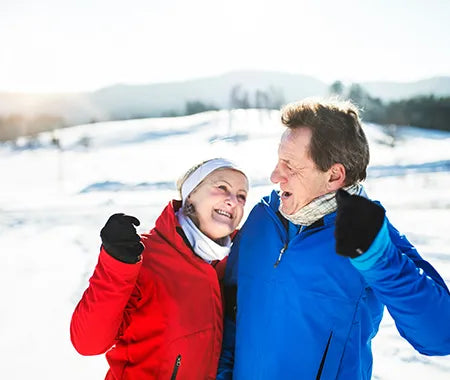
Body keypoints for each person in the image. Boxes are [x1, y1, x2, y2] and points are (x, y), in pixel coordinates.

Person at [217, 99, 450, 380]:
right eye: (279, 161)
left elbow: (440, 336)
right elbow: (229, 311)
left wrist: (378, 260)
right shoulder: (261, 218)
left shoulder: (371, 234)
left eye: (290, 166)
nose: (275, 176)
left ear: (334, 175)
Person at [70, 158, 249, 379]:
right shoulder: (144, 256)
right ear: (191, 194)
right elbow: (88, 342)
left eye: (242, 196)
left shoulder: (232, 265)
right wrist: (116, 264)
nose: (234, 201)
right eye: (222, 187)